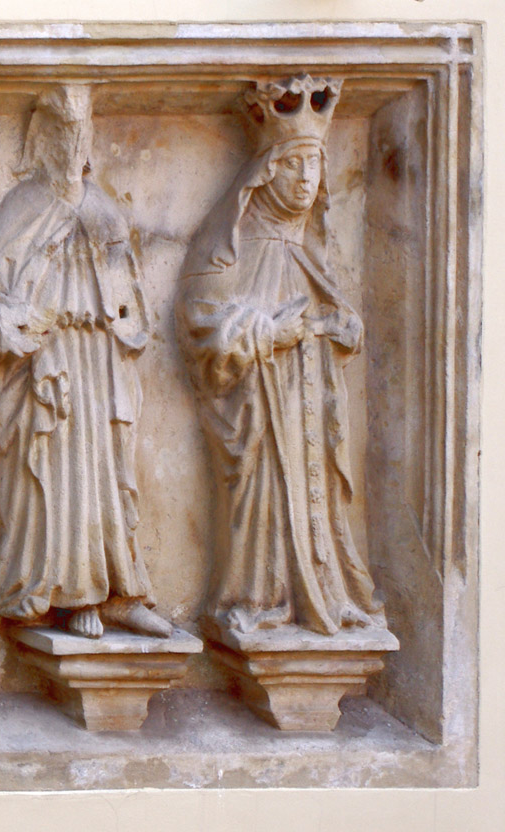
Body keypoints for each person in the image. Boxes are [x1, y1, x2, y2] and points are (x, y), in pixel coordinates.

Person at [0, 85, 172, 639]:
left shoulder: (104, 211)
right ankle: (71, 593)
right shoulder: (23, 206)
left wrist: (124, 319)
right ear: (43, 139)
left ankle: (119, 591)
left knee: (109, 477)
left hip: (101, 361)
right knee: (58, 476)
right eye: (62, 132)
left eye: (82, 132)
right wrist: (19, 324)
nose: (73, 145)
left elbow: (131, 296)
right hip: (46, 365)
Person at [176, 75, 385, 636]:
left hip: (309, 410)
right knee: (263, 495)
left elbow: (333, 319)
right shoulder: (229, 242)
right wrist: (269, 332)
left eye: (314, 165)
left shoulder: (305, 248)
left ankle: (326, 594)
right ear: (266, 171)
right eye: (293, 164)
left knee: (319, 497)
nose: (306, 177)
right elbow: (200, 327)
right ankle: (257, 597)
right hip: (258, 415)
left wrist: (338, 328)